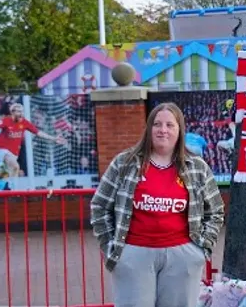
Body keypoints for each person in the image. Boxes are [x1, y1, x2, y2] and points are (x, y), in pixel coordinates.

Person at [91, 103, 225, 307]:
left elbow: (215, 210)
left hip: (182, 256)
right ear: (149, 129)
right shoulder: (125, 163)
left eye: (170, 125)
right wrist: (111, 246)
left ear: (179, 130)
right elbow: (100, 206)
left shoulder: (197, 167)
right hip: (134, 254)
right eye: (157, 124)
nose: (163, 130)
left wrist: (201, 249)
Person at [0, 102, 65, 190]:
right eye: (18, 111)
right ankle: (13, 190)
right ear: (12, 112)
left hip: (14, 153)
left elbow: (38, 132)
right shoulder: (7, 120)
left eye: (22, 111)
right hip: (2, 150)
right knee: (16, 167)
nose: (21, 113)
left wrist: (54, 138)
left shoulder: (24, 122)